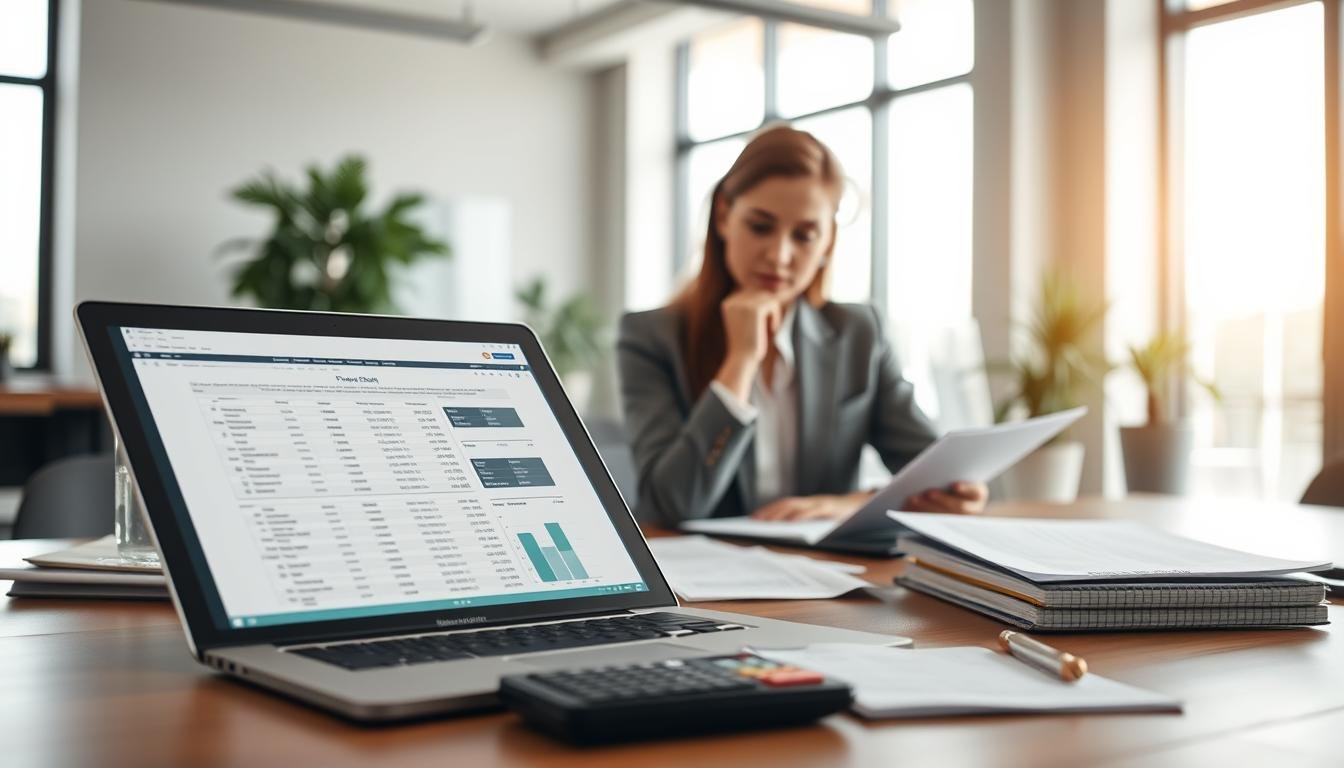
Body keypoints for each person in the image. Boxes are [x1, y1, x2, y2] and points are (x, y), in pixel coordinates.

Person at [617, 125, 988, 526]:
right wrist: (740, 361)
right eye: (760, 227)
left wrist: (856, 503)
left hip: (825, 574)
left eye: (805, 235)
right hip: (699, 581)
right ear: (724, 216)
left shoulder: (859, 333)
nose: (779, 256)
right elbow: (669, 505)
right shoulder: (651, 337)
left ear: (827, 243)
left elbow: (930, 471)